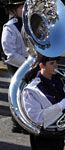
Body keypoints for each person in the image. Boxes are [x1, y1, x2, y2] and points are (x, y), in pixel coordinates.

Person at [1, 0, 28, 133]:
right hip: (17, 64)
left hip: (30, 63)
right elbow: (10, 54)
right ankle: (17, 123)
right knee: (17, 94)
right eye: (21, 8)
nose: (24, 10)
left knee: (28, 94)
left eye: (25, 7)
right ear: (13, 10)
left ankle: (26, 121)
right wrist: (28, 64)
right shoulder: (10, 27)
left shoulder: (31, 23)